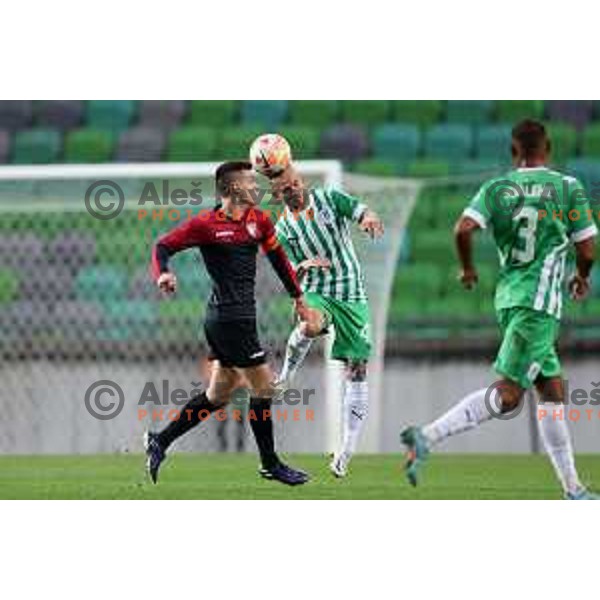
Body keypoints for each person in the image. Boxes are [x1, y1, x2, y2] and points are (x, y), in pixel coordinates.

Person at [401, 119, 598, 500]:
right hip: (537, 307)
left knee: (552, 391)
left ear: (513, 152)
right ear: (549, 148)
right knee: (509, 397)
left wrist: (469, 268)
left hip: (510, 299)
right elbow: (588, 248)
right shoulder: (567, 188)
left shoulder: (496, 188)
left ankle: (573, 489)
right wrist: (582, 275)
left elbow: (462, 229)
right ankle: (426, 436)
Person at [145, 161, 311, 485]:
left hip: (233, 319)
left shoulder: (259, 220)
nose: (256, 186)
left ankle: (159, 441)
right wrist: (163, 272)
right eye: (250, 182)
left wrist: (298, 297)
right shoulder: (206, 224)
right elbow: (162, 246)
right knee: (264, 389)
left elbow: (278, 259)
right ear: (233, 188)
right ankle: (270, 463)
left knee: (218, 395)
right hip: (230, 320)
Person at [267, 163, 384, 477]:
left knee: (357, 369)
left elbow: (360, 210)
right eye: (285, 188)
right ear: (277, 195)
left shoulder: (329, 199)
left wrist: (369, 217)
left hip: (352, 293)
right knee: (310, 326)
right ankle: (287, 375)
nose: (292, 189)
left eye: (294, 183)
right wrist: (306, 264)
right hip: (317, 291)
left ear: (300, 181)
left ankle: (345, 451)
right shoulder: (282, 230)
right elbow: (290, 272)